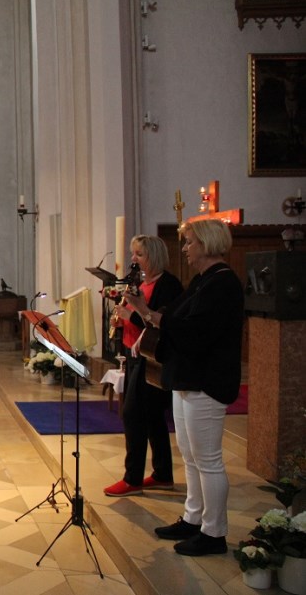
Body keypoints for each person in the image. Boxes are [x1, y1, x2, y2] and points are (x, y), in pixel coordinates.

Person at [125, 219, 244, 557]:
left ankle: (214, 532)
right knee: (190, 456)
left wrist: (150, 314)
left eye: (190, 242)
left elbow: (196, 331)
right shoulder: (203, 281)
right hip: (185, 377)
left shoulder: (223, 285)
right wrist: (144, 312)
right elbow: (172, 316)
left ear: (207, 243)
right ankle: (193, 518)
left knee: (208, 459)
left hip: (206, 380)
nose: (185, 248)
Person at [103, 236, 183, 497]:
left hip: (152, 359)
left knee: (133, 414)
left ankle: (132, 478)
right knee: (150, 417)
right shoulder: (140, 283)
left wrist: (132, 315)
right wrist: (120, 320)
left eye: (139, 254)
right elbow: (134, 318)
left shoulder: (168, 285)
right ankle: (162, 474)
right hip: (136, 354)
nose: (133, 259)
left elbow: (161, 324)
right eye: (133, 254)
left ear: (154, 255)